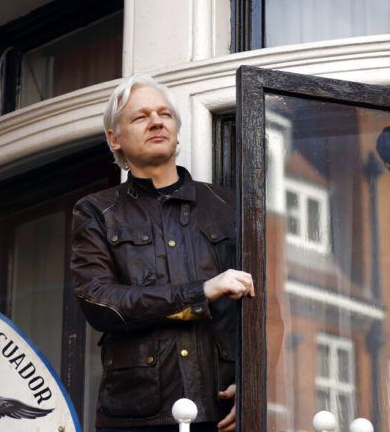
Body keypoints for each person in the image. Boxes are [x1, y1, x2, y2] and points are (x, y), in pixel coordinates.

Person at [70, 74, 254, 432]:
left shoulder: (228, 206)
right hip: (138, 415)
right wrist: (199, 293)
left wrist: (254, 383)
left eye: (164, 114)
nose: (156, 121)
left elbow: (266, 307)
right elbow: (99, 301)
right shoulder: (96, 211)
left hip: (223, 410)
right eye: (140, 117)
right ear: (115, 138)